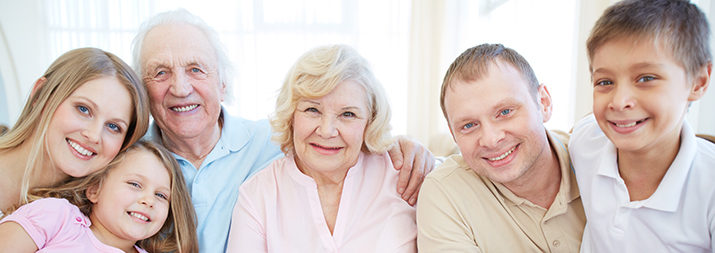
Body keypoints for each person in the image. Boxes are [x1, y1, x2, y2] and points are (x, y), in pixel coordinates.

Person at [131, 9, 434, 252]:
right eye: (160, 73)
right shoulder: (126, 160)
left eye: (196, 69)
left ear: (223, 84)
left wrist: (408, 147)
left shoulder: (273, 141)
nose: (181, 88)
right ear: (142, 89)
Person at [226, 44, 417, 252]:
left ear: (370, 122)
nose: (327, 131)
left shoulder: (406, 175)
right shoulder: (257, 195)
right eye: (312, 110)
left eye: (348, 114)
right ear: (291, 116)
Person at [570, 0, 714, 251]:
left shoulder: (709, 187)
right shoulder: (585, 143)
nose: (619, 101)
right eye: (605, 82)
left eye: (646, 78)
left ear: (698, 82)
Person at [416, 43, 586, 252]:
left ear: (543, 103)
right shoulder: (445, 193)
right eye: (468, 126)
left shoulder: (602, 158)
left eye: (505, 112)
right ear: (454, 135)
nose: (490, 139)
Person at [0, 47, 150, 215]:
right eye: (83, 109)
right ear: (40, 94)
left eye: (113, 127)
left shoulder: (90, 221)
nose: (93, 136)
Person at [0, 140, 198, 252]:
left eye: (162, 195)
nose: (149, 200)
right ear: (95, 189)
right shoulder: (57, 216)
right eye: (135, 184)